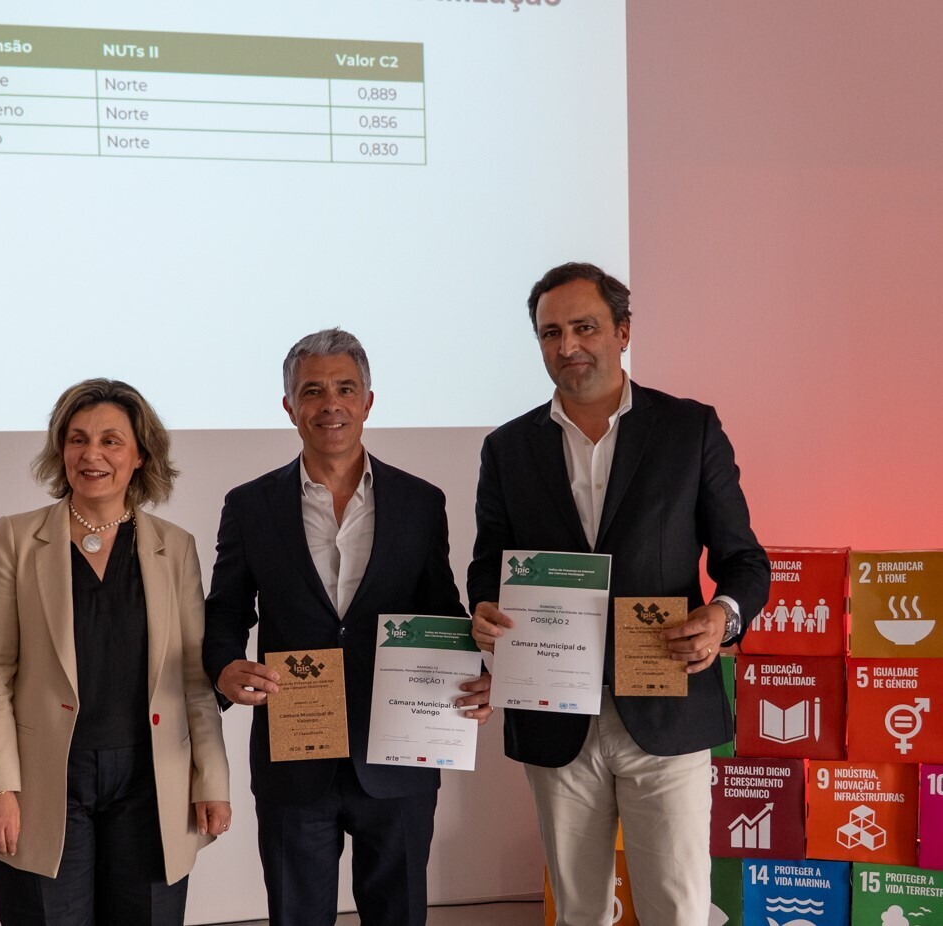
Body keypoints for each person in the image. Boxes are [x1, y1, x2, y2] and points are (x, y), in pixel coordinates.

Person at [468, 263, 769, 926]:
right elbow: (488, 566)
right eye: (551, 333)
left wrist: (722, 617)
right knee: (578, 912)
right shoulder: (508, 448)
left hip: (667, 707)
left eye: (584, 327)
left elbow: (745, 562)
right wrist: (484, 612)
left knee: (677, 910)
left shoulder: (689, 430)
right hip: (554, 715)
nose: (567, 345)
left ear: (623, 332)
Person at [203, 328, 484, 926]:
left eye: (345, 388)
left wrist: (475, 673)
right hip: (294, 755)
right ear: (289, 406)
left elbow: (441, 610)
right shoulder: (250, 506)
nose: (330, 404)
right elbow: (226, 609)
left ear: (368, 402)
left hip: (400, 754)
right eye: (312, 391)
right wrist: (224, 666)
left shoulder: (420, 502)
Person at [0, 378, 231, 926]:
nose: (91, 454)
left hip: (152, 780)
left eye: (110, 440)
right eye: (77, 439)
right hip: (45, 779)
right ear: (61, 450)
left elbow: (194, 680)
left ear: (140, 454)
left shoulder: (176, 547)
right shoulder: (16, 539)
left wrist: (211, 780)